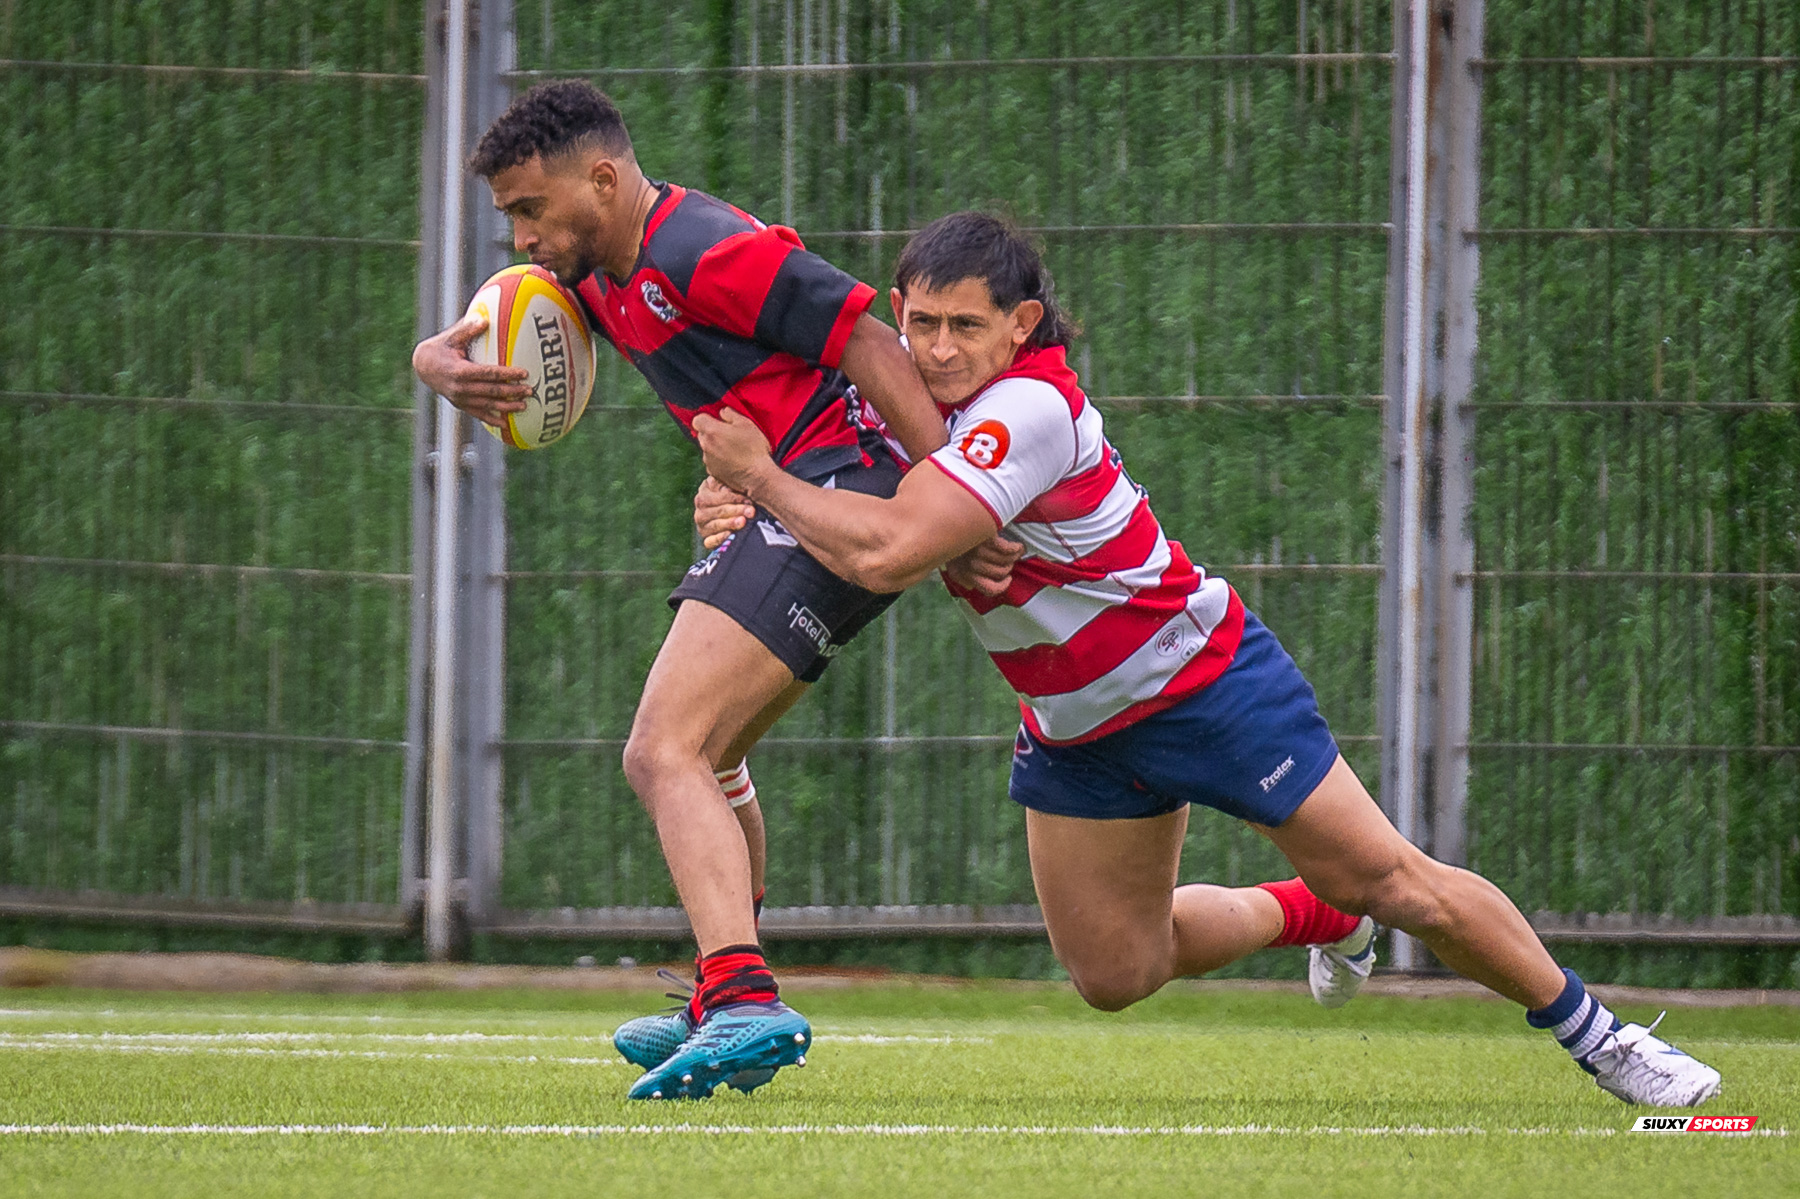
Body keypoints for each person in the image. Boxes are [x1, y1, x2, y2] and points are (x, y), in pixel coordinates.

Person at [690, 211, 1723, 1109]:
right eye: (920, 322)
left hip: (1202, 684)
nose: (941, 348)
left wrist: (764, 478)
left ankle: (1605, 1036)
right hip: (1077, 730)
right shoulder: (900, 403)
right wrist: (740, 500)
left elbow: (887, 543)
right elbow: (835, 486)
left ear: (1025, 325)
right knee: (1114, 970)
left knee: (1396, 876)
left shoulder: (1030, 410)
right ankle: (1313, 913)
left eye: (968, 325)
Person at [411, 80, 968, 1102]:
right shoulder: (601, 269)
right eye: (512, 219)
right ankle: (727, 997)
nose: (524, 239)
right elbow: (503, 313)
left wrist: (948, 502)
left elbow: (869, 342)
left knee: (659, 748)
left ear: (605, 179)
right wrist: (434, 354)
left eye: (532, 210)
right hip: (792, 495)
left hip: (838, 484)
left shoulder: (699, 249)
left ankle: (745, 994)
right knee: (709, 756)